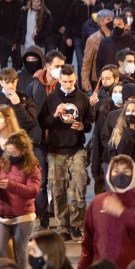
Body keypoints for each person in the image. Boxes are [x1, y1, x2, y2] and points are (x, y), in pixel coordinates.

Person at [78, 155, 135, 269]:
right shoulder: (97, 202)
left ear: (134, 174)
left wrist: (123, 213)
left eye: (126, 171)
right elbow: (88, 241)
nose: (120, 174)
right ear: (109, 174)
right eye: (116, 171)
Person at [38, 64, 92, 240]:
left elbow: (90, 122)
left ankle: (77, 225)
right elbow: (43, 122)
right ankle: (62, 227)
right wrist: (55, 114)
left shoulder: (82, 98)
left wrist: (82, 126)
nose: (68, 84)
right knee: (58, 190)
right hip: (55, 151)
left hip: (76, 149)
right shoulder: (52, 98)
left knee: (78, 188)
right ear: (58, 80)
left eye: (70, 81)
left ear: (75, 78)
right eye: (64, 81)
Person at [0, 131, 41, 266]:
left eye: (13, 153)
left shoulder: (32, 167)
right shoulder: (2, 162)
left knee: (20, 253)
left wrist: (11, 185)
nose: (10, 156)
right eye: (8, 152)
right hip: (0, 214)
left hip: (22, 216)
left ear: (23, 151)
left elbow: (33, 191)